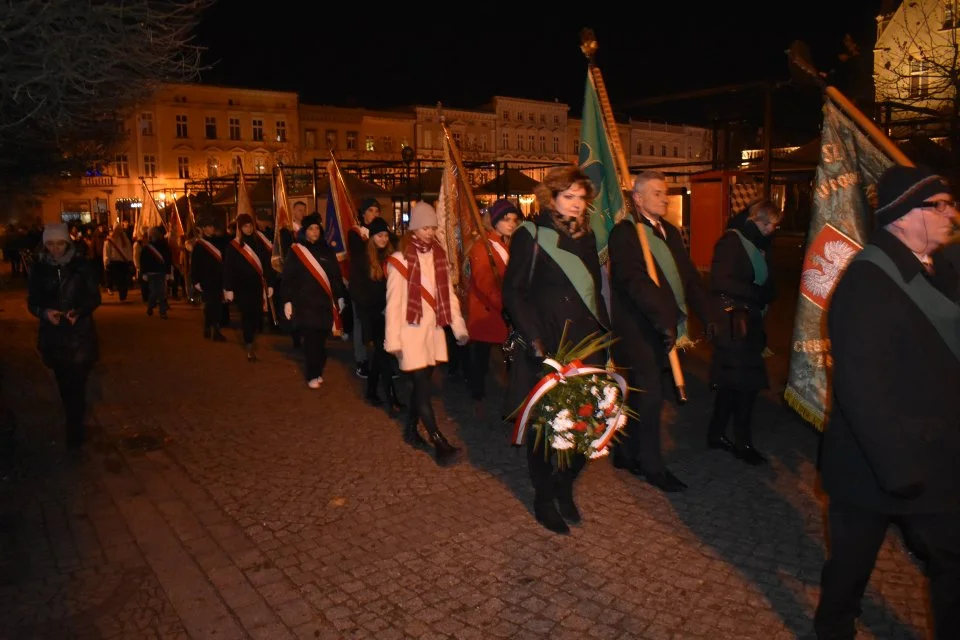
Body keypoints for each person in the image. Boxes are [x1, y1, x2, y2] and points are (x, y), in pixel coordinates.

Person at [814, 165, 960, 639]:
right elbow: (862, 388)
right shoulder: (867, 281)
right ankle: (833, 627)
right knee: (851, 565)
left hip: (933, 456)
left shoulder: (940, 268)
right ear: (903, 216)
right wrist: (900, 472)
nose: (951, 213)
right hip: (879, 465)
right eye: (939, 206)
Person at [502, 165, 610, 535]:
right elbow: (513, 292)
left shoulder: (588, 236)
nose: (577, 204)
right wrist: (533, 339)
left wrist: (605, 338)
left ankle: (564, 486)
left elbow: (594, 291)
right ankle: (544, 496)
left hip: (587, 342)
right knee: (547, 427)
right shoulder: (530, 234)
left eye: (582, 198)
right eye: (569, 197)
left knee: (587, 424)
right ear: (552, 197)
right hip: (548, 343)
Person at [607, 170, 714, 492]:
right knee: (652, 396)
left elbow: (689, 278)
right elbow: (636, 282)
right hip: (638, 328)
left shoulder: (668, 230)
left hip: (664, 326)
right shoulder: (625, 233)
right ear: (637, 198)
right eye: (656, 193)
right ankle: (652, 466)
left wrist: (710, 314)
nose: (665, 198)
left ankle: (626, 451)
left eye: (665, 192)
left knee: (643, 395)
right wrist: (665, 317)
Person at [385, 202, 468, 466]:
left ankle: (411, 431)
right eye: (424, 227)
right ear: (414, 229)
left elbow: (449, 297)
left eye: (432, 227)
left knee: (421, 386)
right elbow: (393, 305)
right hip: (409, 334)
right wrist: (394, 342)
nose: (430, 232)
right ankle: (438, 441)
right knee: (422, 386)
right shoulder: (400, 262)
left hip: (431, 332)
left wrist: (458, 327)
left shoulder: (439, 256)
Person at [706, 199, 781, 464]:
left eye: (774, 225)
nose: (772, 229)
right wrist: (758, 294)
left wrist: (765, 293)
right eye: (767, 223)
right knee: (745, 386)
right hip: (734, 326)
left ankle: (716, 433)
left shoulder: (760, 245)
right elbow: (720, 280)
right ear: (754, 220)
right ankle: (743, 442)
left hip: (748, 324)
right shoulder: (732, 241)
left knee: (732, 385)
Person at [27, 223, 101, 448]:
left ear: (67, 242)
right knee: (64, 384)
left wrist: (79, 312)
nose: (55, 249)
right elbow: (32, 301)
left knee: (77, 385)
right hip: (54, 336)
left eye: (59, 243)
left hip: (80, 336)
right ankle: (73, 421)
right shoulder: (39, 269)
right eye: (50, 244)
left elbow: (94, 297)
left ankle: (74, 429)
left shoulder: (81, 267)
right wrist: (44, 313)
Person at [281, 213, 346, 388]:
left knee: (321, 343)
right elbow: (288, 277)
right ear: (305, 231)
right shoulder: (296, 251)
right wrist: (287, 300)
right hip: (304, 304)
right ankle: (312, 375)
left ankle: (318, 369)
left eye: (317, 228)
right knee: (310, 343)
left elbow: (335, 276)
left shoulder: (327, 250)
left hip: (324, 304)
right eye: (311, 228)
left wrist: (339, 296)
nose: (315, 231)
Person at [466, 198, 518, 405]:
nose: (512, 224)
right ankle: (477, 392)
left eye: (514, 219)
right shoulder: (482, 247)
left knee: (505, 352)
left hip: (503, 308)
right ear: (494, 221)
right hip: (487, 310)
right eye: (506, 219)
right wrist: (504, 305)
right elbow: (484, 281)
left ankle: (510, 392)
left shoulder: (507, 245)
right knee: (481, 355)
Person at [350, 216, 404, 409]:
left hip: (387, 313)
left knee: (380, 355)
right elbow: (356, 290)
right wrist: (376, 305)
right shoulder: (361, 259)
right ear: (372, 237)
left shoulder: (390, 257)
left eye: (385, 236)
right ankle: (392, 398)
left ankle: (372, 391)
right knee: (383, 353)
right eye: (379, 236)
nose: (383, 239)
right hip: (371, 315)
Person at [223, 213, 276, 362]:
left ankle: (251, 336)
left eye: (250, 225)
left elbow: (267, 264)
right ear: (240, 228)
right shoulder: (234, 246)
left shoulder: (259, 243)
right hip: (242, 286)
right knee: (246, 315)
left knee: (257, 315)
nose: (248, 228)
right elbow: (229, 268)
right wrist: (229, 288)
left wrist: (270, 283)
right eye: (245, 226)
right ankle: (249, 344)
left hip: (257, 285)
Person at [349, 197, 387, 378]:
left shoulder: (382, 232)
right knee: (360, 323)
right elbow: (358, 256)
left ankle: (385, 362)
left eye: (377, 211)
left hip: (377, 287)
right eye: (371, 210)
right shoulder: (356, 233)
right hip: (361, 284)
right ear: (363, 214)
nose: (374, 214)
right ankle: (361, 360)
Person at [190, 216, 228, 341]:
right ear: (204, 229)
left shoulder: (218, 242)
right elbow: (195, 264)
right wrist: (195, 281)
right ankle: (214, 330)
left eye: (213, 226)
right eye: (209, 226)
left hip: (218, 279)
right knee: (212, 306)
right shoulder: (199, 245)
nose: (212, 229)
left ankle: (209, 327)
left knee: (216, 306)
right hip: (206, 280)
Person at [140, 225, 172, 319]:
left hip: (160, 272)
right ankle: (150, 306)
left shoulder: (164, 245)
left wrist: (168, 272)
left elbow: (167, 259)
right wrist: (144, 273)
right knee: (154, 292)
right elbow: (143, 261)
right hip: (150, 273)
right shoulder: (146, 247)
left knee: (161, 292)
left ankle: (162, 311)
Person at [103, 225, 134, 301]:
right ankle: (122, 292)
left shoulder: (124, 240)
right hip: (117, 263)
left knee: (122, 279)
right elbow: (107, 252)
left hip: (121, 263)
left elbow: (128, 251)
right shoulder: (110, 240)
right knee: (120, 280)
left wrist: (130, 260)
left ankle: (123, 292)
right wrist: (107, 262)